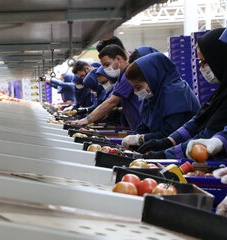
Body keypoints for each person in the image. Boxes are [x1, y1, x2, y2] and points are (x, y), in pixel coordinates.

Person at [138, 28, 227, 159]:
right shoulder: (220, 93)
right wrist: (167, 142)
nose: (202, 68)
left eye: (204, 62)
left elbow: (206, 136)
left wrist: (166, 154)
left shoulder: (175, 92)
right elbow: (196, 122)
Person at [121, 52, 200, 149]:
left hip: (184, 149)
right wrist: (133, 137)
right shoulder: (151, 96)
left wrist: (141, 139)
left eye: (138, 87)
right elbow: (144, 125)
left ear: (152, 79)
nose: (135, 92)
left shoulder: (176, 93)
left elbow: (171, 133)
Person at [67, 44, 141, 130]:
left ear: (118, 59)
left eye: (107, 64)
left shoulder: (127, 76)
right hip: (136, 126)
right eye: (104, 66)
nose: (105, 69)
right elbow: (108, 101)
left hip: (140, 125)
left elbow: (111, 102)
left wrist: (86, 120)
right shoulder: (120, 78)